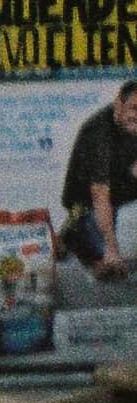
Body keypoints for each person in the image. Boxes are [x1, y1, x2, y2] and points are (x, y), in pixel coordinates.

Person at [60, 81, 137, 281]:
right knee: (109, 271)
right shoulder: (99, 133)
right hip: (87, 196)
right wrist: (112, 250)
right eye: (134, 108)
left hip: (118, 183)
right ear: (118, 104)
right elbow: (100, 194)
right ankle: (73, 233)